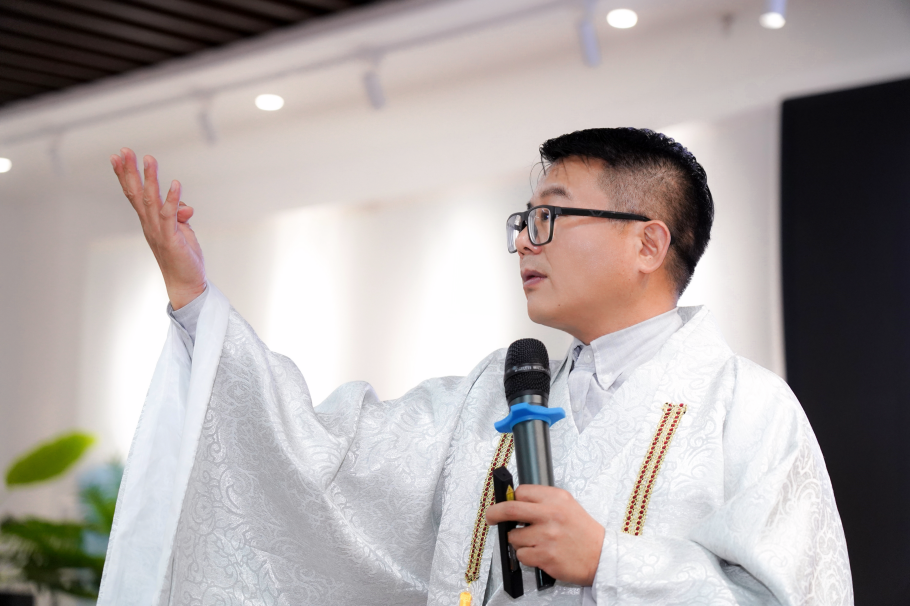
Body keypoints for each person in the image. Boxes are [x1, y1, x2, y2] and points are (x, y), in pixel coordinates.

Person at [98, 128, 852, 606]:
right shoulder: (496, 395)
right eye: (523, 220)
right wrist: (197, 303)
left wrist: (610, 561)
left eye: (549, 216)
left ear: (647, 244)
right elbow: (330, 459)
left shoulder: (749, 410)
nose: (524, 240)